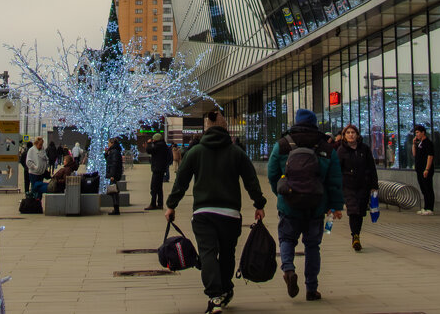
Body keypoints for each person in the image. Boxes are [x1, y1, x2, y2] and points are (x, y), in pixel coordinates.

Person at [166, 110, 266, 314]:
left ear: (206, 129)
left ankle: (215, 295)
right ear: (225, 128)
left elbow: (181, 182)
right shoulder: (236, 152)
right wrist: (259, 204)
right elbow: (251, 180)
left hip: (203, 213)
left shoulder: (195, 152)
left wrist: (171, 205)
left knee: (208, 253)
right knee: (228, 253)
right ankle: (226, 288)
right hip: (230, 214)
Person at [267, 109, 344, 302]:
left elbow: (272, 173)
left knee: (286, 240)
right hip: (316, 205)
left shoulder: (283, 145)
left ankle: (289, 269)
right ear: (314, 124)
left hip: (289, 205)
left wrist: (282, 193)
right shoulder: (326, 147)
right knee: (312, 246)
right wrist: (335, 206)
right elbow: (334, 181)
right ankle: (312, 288)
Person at [336, 124, 378, 251]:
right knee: (353, 210)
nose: (350, 135)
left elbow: (371, 167)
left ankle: (357, 234)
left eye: (353, 132)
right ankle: (355, 236)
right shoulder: (341, 150)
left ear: (357, 135)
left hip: (363, 185)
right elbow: (337, 169)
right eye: (348, 132)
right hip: (348, 185)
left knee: (359, 211)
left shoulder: (364, 149)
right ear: (344, 136)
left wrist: (374, 185)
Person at [411, 125, 435, 215]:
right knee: (423, 188)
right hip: (419, 169)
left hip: (426, 169)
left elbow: (430, 156)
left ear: (423, 132)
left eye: (417, 132)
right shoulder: (420, 143)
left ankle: (430, 208)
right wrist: (413, 144)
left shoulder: (427, 143)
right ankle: (425, 207)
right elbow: (414, 154)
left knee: (428, 188)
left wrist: (427, 169)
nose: (416, 135)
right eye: (415, 133)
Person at [145, 134, 173, 210]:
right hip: (161, 168)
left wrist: (149, 143)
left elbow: (149, 150)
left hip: (157, 168)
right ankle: (160, 204)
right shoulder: (163, 145)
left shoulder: (158, 146)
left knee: (154, 187)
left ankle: (153, 203)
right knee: (159, 187)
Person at [105, 137, 124, 215]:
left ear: (112, 143)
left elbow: (114, 164)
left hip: (114, 174)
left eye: (109, 143)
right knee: (114, 190)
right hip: (114, 173)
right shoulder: (113, 151)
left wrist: (112, 175)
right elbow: (109, 160)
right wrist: (106, 153)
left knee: (114, 191)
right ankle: (116, 208)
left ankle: (116, 209)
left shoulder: (114, 152)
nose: (108, 144)